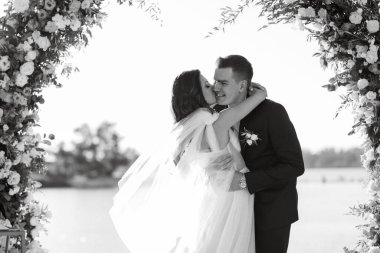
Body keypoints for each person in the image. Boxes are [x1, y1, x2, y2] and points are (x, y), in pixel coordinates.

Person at [110, 69, 267, 253]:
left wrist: (206, 170)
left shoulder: (190, 129)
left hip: (214, 199)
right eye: (207, 86)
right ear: (195, 95)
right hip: (231, 197)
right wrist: (261, 93)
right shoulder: (217, 121)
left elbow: (186, 169)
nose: (215, 87)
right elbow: (257, 99)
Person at [213, 55, 305, 253]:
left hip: (270, 213)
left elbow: (294, 165)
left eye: (223, 82)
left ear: (242, 85)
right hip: (229, 212)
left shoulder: (273, 112)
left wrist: (246, 181)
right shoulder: (215, 115)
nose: (215, 87)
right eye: (214, 81)